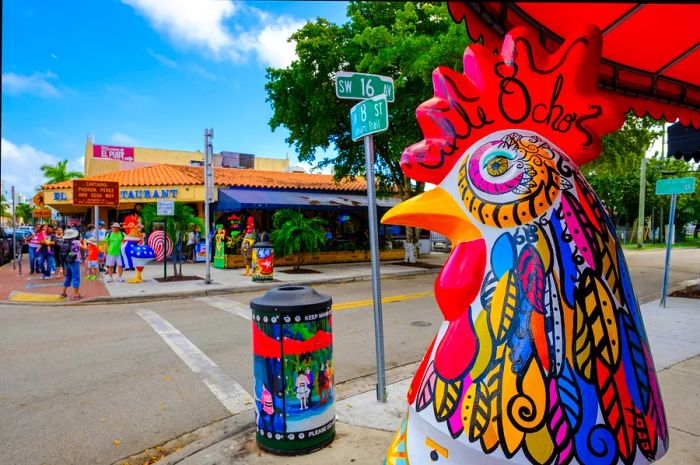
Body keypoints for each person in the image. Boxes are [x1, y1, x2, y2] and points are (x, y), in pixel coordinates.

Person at [59, 229, 87, 300]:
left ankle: (63, 292)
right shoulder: (76, 242)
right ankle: (76, 294)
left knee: (68, 277)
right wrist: (85, 242)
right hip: (75, 261)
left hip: (67, 261)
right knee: (76, 278)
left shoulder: (63, 242)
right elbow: (84, 248)